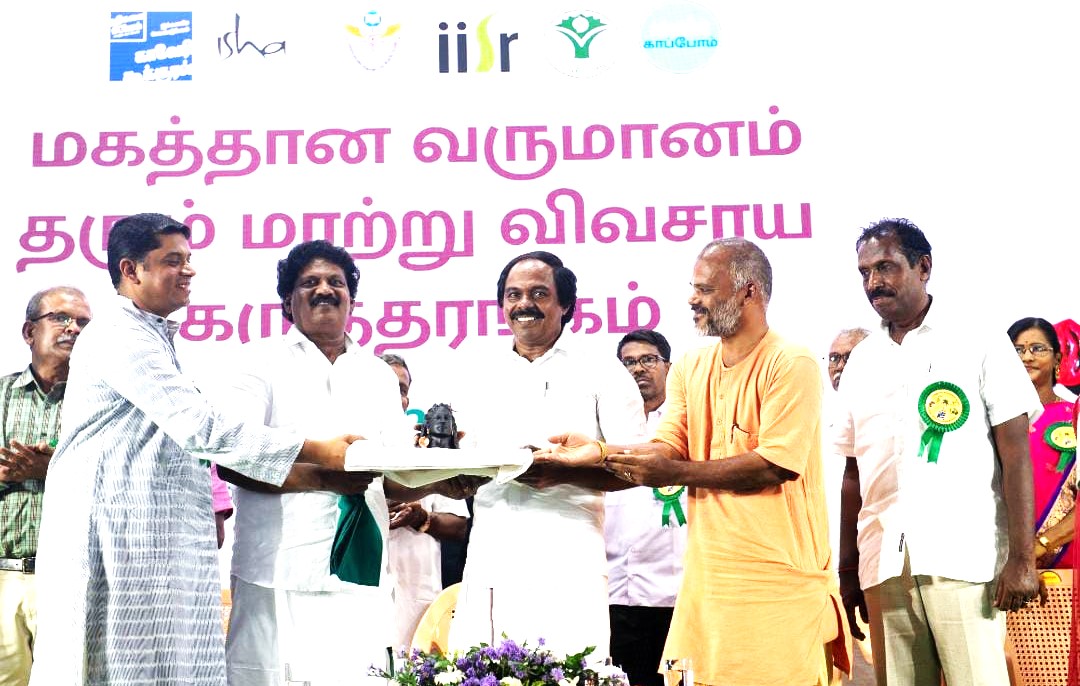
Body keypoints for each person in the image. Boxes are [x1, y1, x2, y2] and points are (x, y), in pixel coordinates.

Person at [27, 214, 357, 686]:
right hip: (115, 544)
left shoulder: (153, 336)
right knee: (114, 669)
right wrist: (319, 452)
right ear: (131, 270)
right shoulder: (118, 334)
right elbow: (200, 427)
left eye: (188, 259)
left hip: (156, 547)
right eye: (172, 260)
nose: (189, 270)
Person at [537, 238, 847, 685]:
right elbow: (667, 447)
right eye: (693, 288)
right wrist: (600, 452)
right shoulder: (691, 366)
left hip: (777, 584)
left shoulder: (790, 361)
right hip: (708, 584)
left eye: (704, 289)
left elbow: (773, 465)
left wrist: (675, 473)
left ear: (748, 291)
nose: (691, 299)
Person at [835, 218, 1043, 686]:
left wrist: (1023, 559)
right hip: (884, 564)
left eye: (885, 267)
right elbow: (852, 472)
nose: (873, 282)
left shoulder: (978, 338)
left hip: (964, 558)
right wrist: (848, 568)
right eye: (865, 272)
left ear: (924, 267)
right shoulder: (862, 360)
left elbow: (1016, 455)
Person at [219, 240, 436, 685]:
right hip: (276, 570)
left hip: (361, 573)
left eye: (336, 282)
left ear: (351, 299)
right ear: (288, 300)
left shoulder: (378, 374)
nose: (324, 290)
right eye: (310, 283)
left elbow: (392, 477)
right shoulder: (256, 361)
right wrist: (323, 478)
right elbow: (234, 459)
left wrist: (444, 481)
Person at [448, 250, 647, 658]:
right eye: (513, 295)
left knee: (572, 670)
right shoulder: (475, 370)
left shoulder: (602, 370)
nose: (524, 304)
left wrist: (565, 473)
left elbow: (638, 464)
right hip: (492, 551)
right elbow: (458, 459)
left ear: (565, 304)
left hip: (569, 551)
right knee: (484, 672)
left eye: (539, 293)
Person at [0, 287, 90, 686]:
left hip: (73, 578)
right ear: (29, 332)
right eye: (60, 318)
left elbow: (118, 482)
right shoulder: (1, 395)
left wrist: (54, 469)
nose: (73, 328)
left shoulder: (102, 401)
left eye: (83, 323)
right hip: (4, 575)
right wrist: (8, 474)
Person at [605, 329, 687, 686]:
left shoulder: (686, 424)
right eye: (628, 363)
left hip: (674, 590)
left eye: (648, 360)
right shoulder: (606, 426)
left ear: (668, 366)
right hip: (616, 588)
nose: (638, 369)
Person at [380, 355, 469, 650]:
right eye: (386, 387)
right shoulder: (349, 443)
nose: (397, 397)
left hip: (417, 594)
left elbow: (458, 526)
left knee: (417, 666)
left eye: (402, 389)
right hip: (360, 589)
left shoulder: (430, 446)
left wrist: (420, 518)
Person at [1008, 317, 1076, 568]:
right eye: (1017, 350)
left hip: (1067, 560)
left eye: (1037, 348)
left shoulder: (1075, 415)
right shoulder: (992, 422)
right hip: (1004, 564)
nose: (1027, 357)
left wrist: (1042, 544)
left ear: (1057, 359)